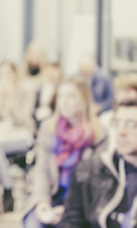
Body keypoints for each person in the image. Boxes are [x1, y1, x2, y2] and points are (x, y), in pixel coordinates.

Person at [23, 76, 108, 228]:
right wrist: (42, 202)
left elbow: (99, 182)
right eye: (61, 95)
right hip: (51, 198)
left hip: (83, 204)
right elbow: (42, 171)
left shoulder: (99, 134)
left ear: (84, 100)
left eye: (71, 95)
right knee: (32, 224)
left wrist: (70, 209)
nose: (64, 101)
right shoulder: (48, 129)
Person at [59, 99, 137, 228]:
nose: (121, 132)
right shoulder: (90, 169)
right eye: (117, 123)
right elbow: (71, 221)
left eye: (131, 124)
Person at [0, 61, 36, 212]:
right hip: (0, 136)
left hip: (22, 135)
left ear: (15, 74)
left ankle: (7, 189)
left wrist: (12, 97)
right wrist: (1, 96)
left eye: (8, 74)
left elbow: (23, 120)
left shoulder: (25, 90)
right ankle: (6, 190)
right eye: (1, 75)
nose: (5, 78)